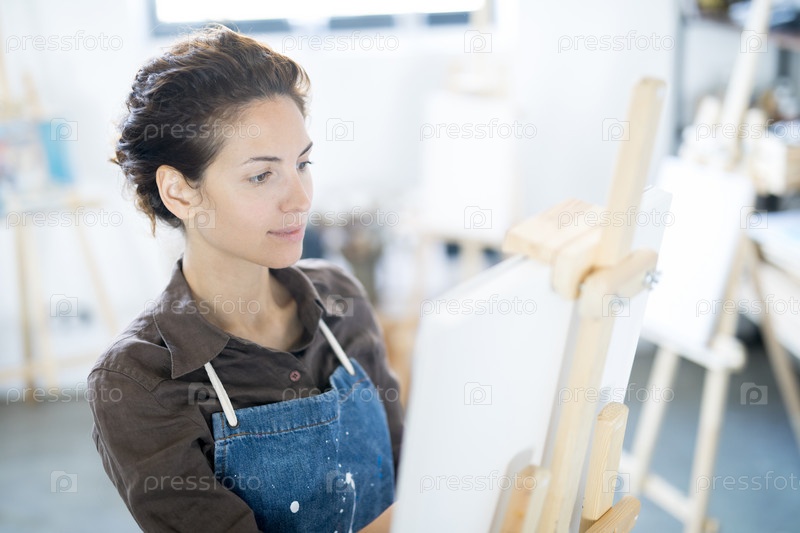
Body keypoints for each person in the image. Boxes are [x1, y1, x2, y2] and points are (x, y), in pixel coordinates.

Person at [87, 25, 403, 533]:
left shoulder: (340, 299)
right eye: (261, 175)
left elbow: (406, 470)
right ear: (180, 192)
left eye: (303, 163)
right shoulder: (137, 381)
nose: (300, 198)